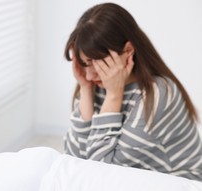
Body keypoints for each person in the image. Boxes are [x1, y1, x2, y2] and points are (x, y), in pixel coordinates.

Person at [63, 2, 202, 180]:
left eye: (96, 62)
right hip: (141, 181)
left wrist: (114, 95)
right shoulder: (94, 85)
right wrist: (85, 90)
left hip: (180, 185)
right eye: (84, 63)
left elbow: (104, 172)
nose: (89, 75)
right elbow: (73, 158)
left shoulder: (157, 93)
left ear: (128, 50)